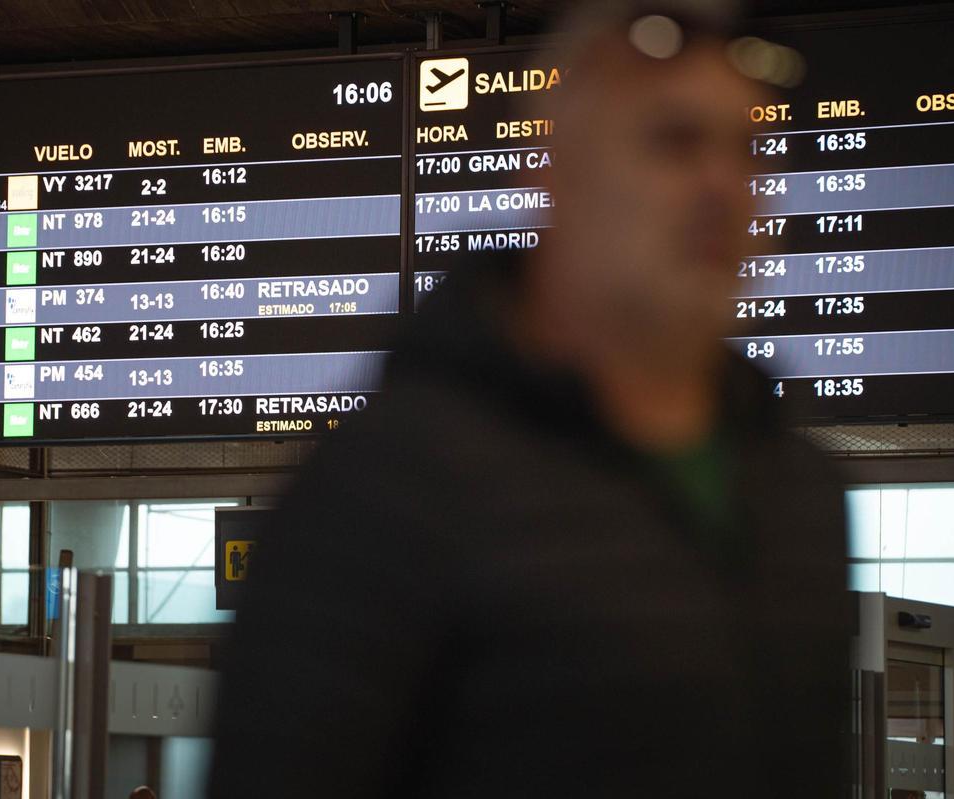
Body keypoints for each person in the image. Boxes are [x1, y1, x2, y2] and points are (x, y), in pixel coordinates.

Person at [208, 1, 850, 796]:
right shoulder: (386, 489)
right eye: (674, 142)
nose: (723, 187)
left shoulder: (802, 493)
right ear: (555, 173)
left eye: (748, 152)